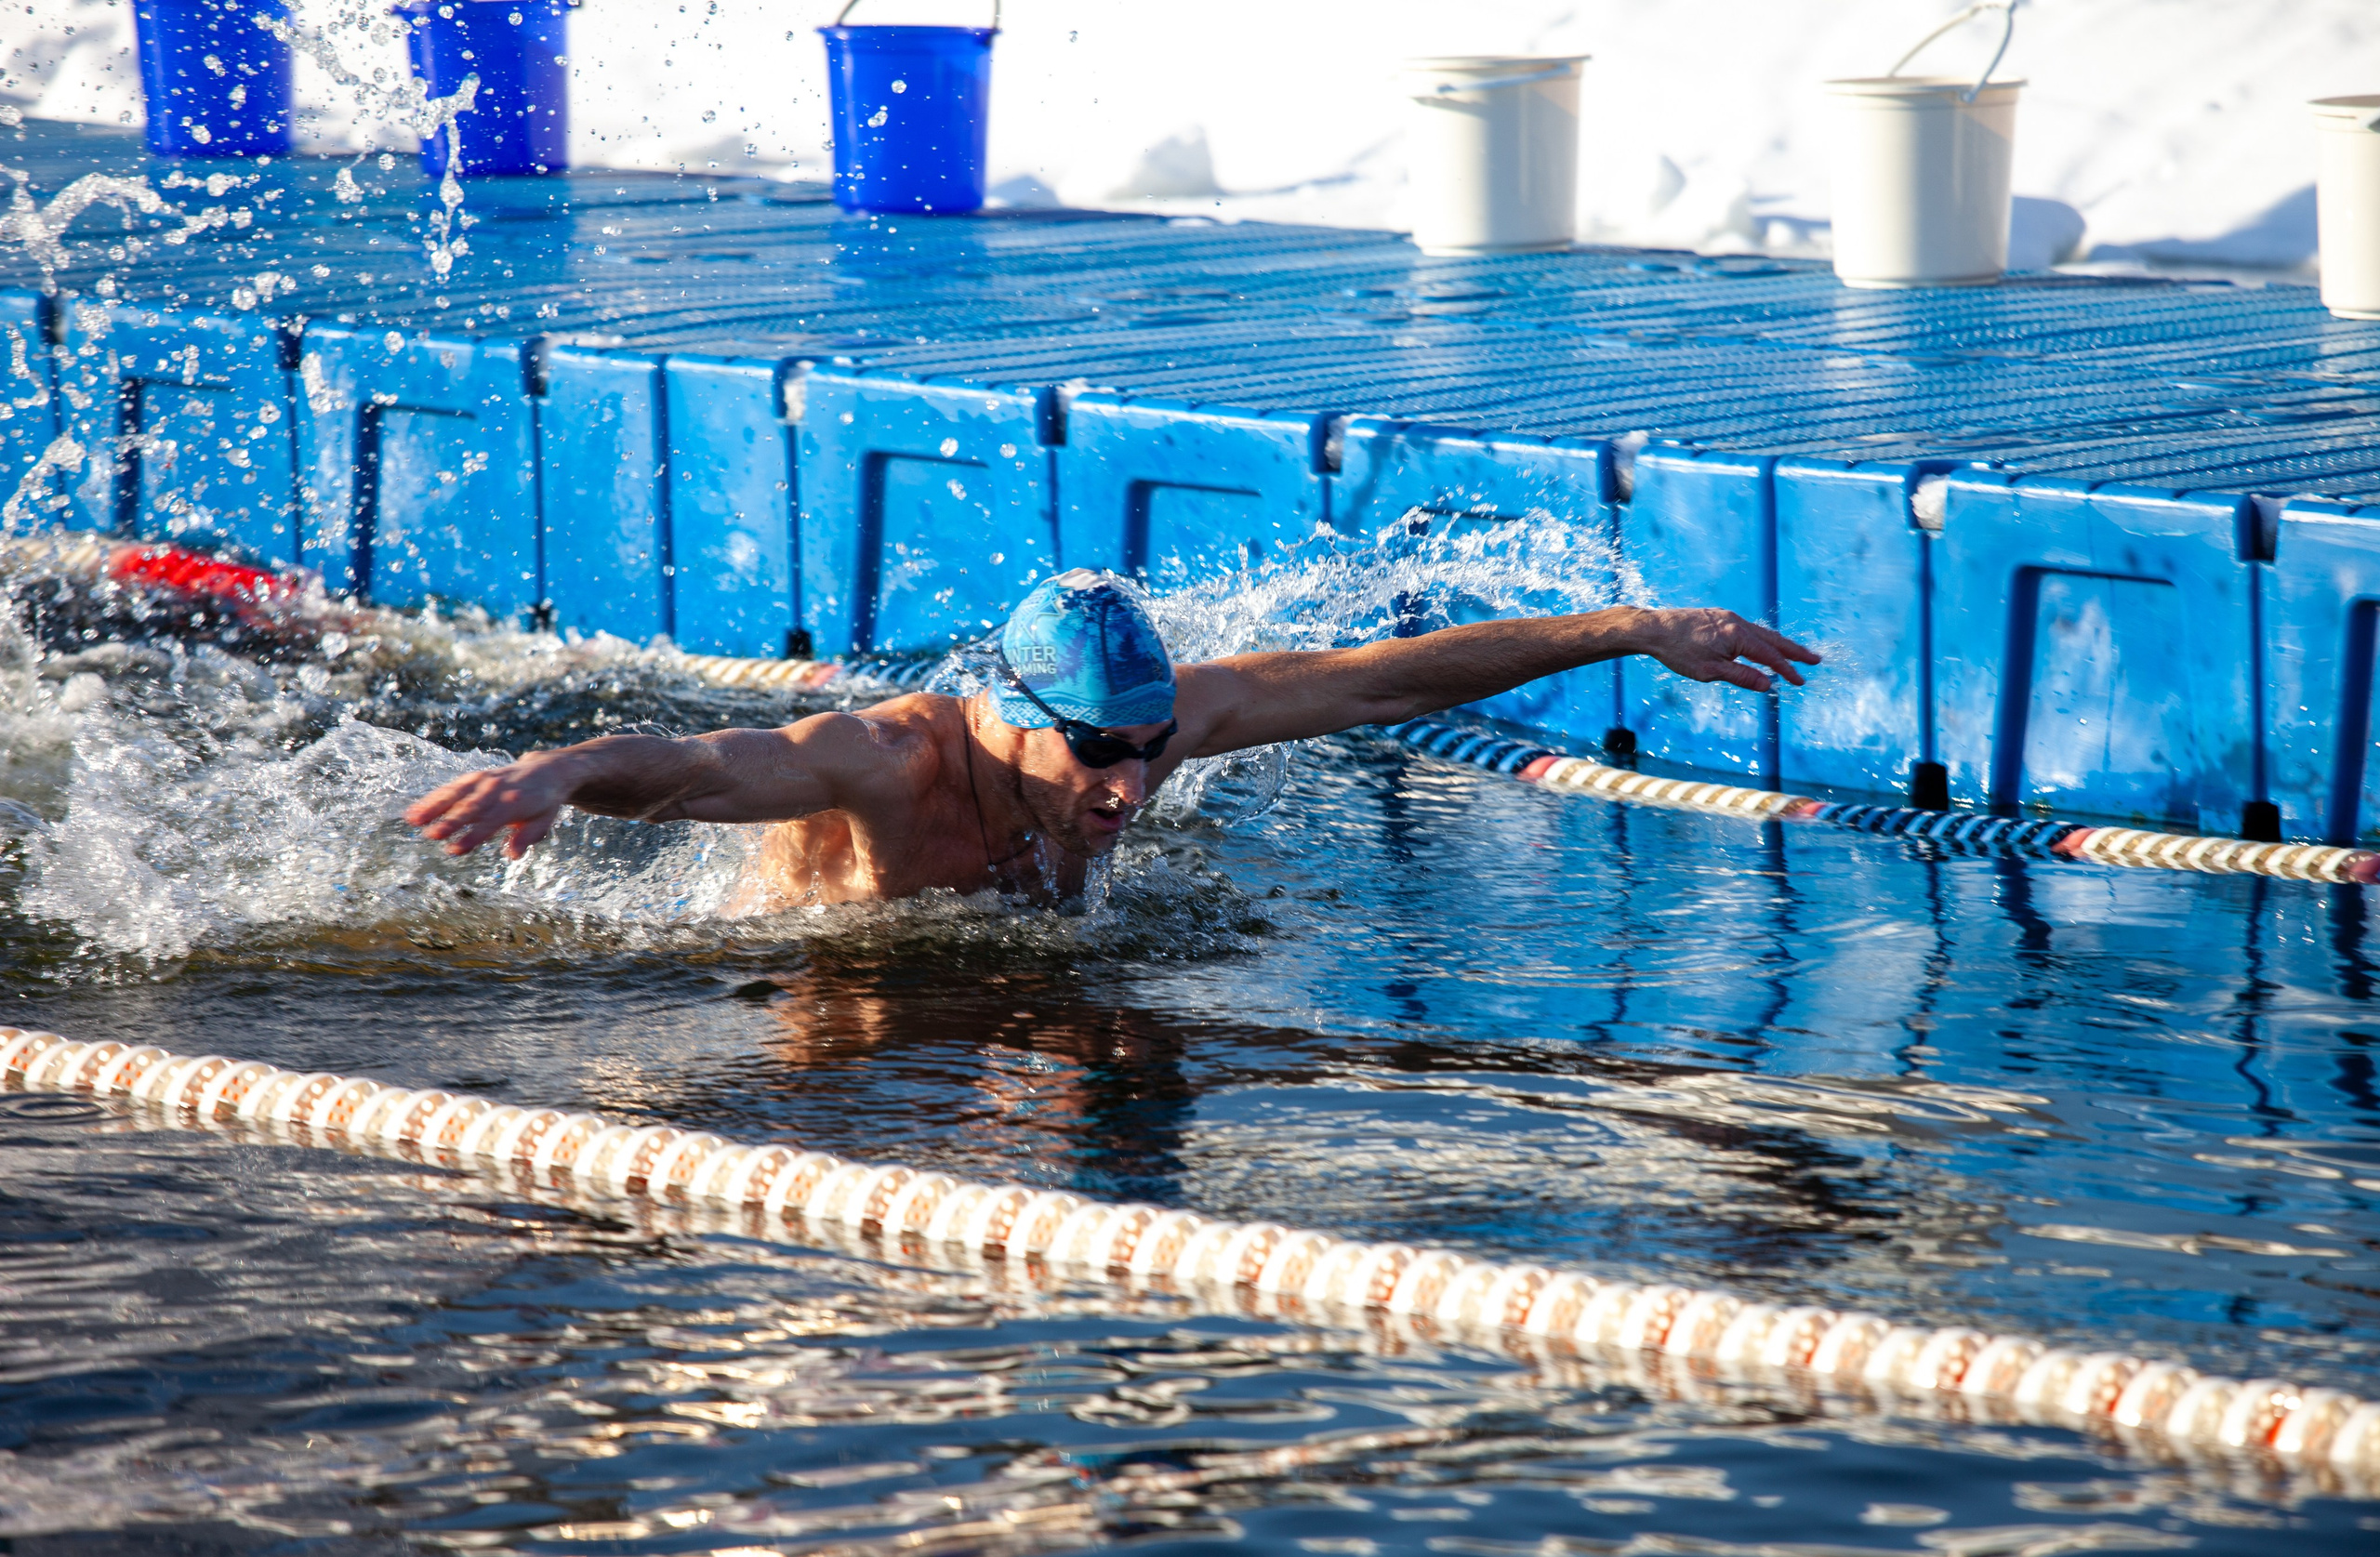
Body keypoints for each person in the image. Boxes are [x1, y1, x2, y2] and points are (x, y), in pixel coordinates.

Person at [403, 570, 1820, 905]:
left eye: (1150, 747)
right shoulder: (881, 759)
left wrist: (1632, 630)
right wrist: (560, 773)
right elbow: (710, 766)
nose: (1132, 783)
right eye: (1098, 752)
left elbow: (1380, 682)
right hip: (826, 1003)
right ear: (1011, 718)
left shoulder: (1150, 728)